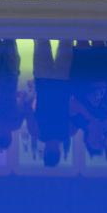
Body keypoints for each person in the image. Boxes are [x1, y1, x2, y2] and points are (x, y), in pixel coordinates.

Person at [69, 42, 107, 158]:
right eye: (102, 141)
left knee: (82, 39)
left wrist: (91, 118)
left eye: (95, 142)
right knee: (99, 39)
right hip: (104, 72)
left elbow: (72, 104)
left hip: (82, 71)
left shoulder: (79, 122)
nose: (99, 138)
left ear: (87, 140)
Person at [28, 39, 73, 168]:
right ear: (45, 152)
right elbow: (28, 109)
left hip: (63, 82)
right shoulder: (36, 132)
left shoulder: (68, 132)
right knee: (41, 39)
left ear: (59, 152)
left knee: (66, 40)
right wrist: (32, 90)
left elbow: (74, 106)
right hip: (43, 82)